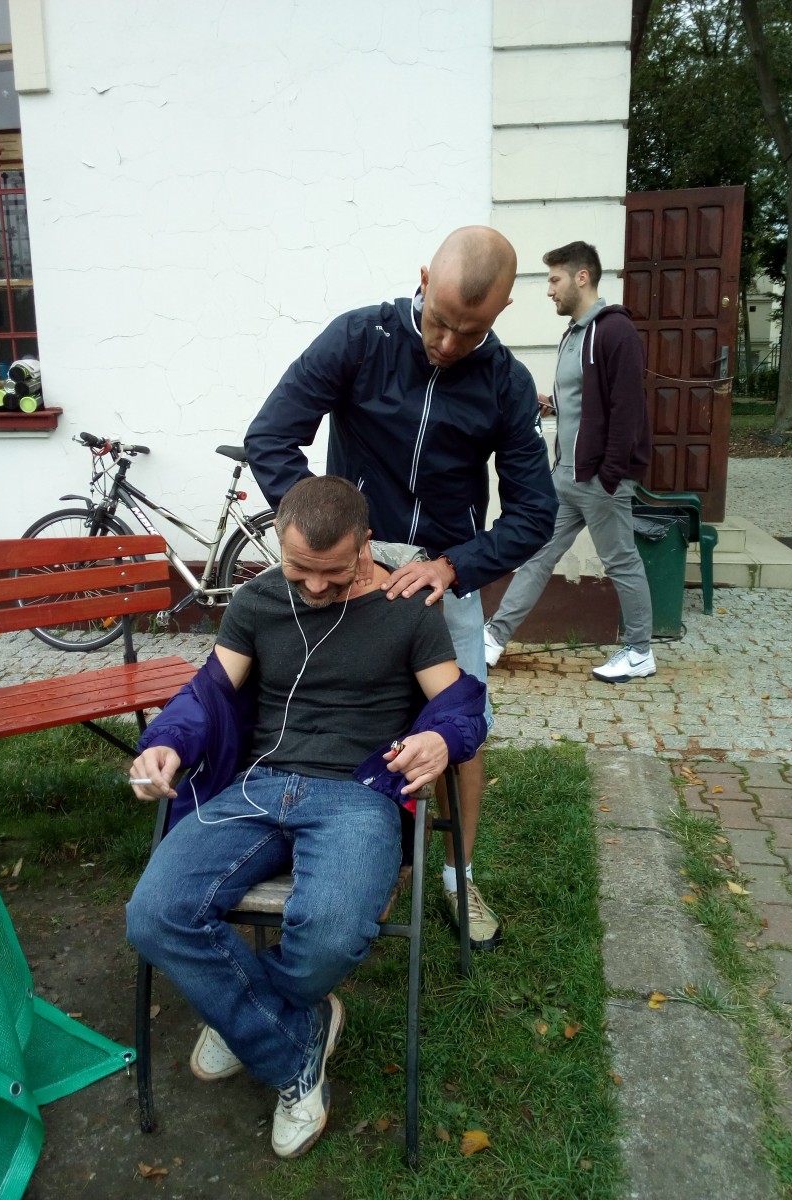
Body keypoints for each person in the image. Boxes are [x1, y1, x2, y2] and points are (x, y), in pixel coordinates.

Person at [126, 475, 487, 1161]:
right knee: (154, 914)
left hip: (358, 794)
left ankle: (243, 1016)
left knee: (329, 934)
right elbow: (206, 693)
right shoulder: (257, 602)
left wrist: (442, 738)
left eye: (333, 571)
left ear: (365, 545)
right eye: (300, 571)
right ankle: (293, 1044)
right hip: (258, 786)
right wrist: (166, 742)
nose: (315, 587)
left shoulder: (407, 609)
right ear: (276, 543)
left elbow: (459, 704)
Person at [244, 225, 557, 950]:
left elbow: (534, 511)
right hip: (352, 566)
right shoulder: (360, 339)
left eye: (469, 331)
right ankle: (338, 856)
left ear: (503, 311)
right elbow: (271, 437)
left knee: (462, 726)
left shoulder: (506, 383)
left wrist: (454, 567)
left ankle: (456, 876)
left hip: (442, 572)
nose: (446, 343)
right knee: (322, 713)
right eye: (439, 321)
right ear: (422, 279)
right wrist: (337, 547)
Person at [482, 241, 655, 683]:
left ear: (582, 277)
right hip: (566, 477)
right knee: (538, 555)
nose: (549, 290)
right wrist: (551, 404)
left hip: (599, 480)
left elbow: (627, 409)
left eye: (555, 279)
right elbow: (584, 399)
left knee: (621, 562)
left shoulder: (615, 331)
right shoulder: (574, 334)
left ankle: (640, 652)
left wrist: (610, 476)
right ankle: (493, 638)